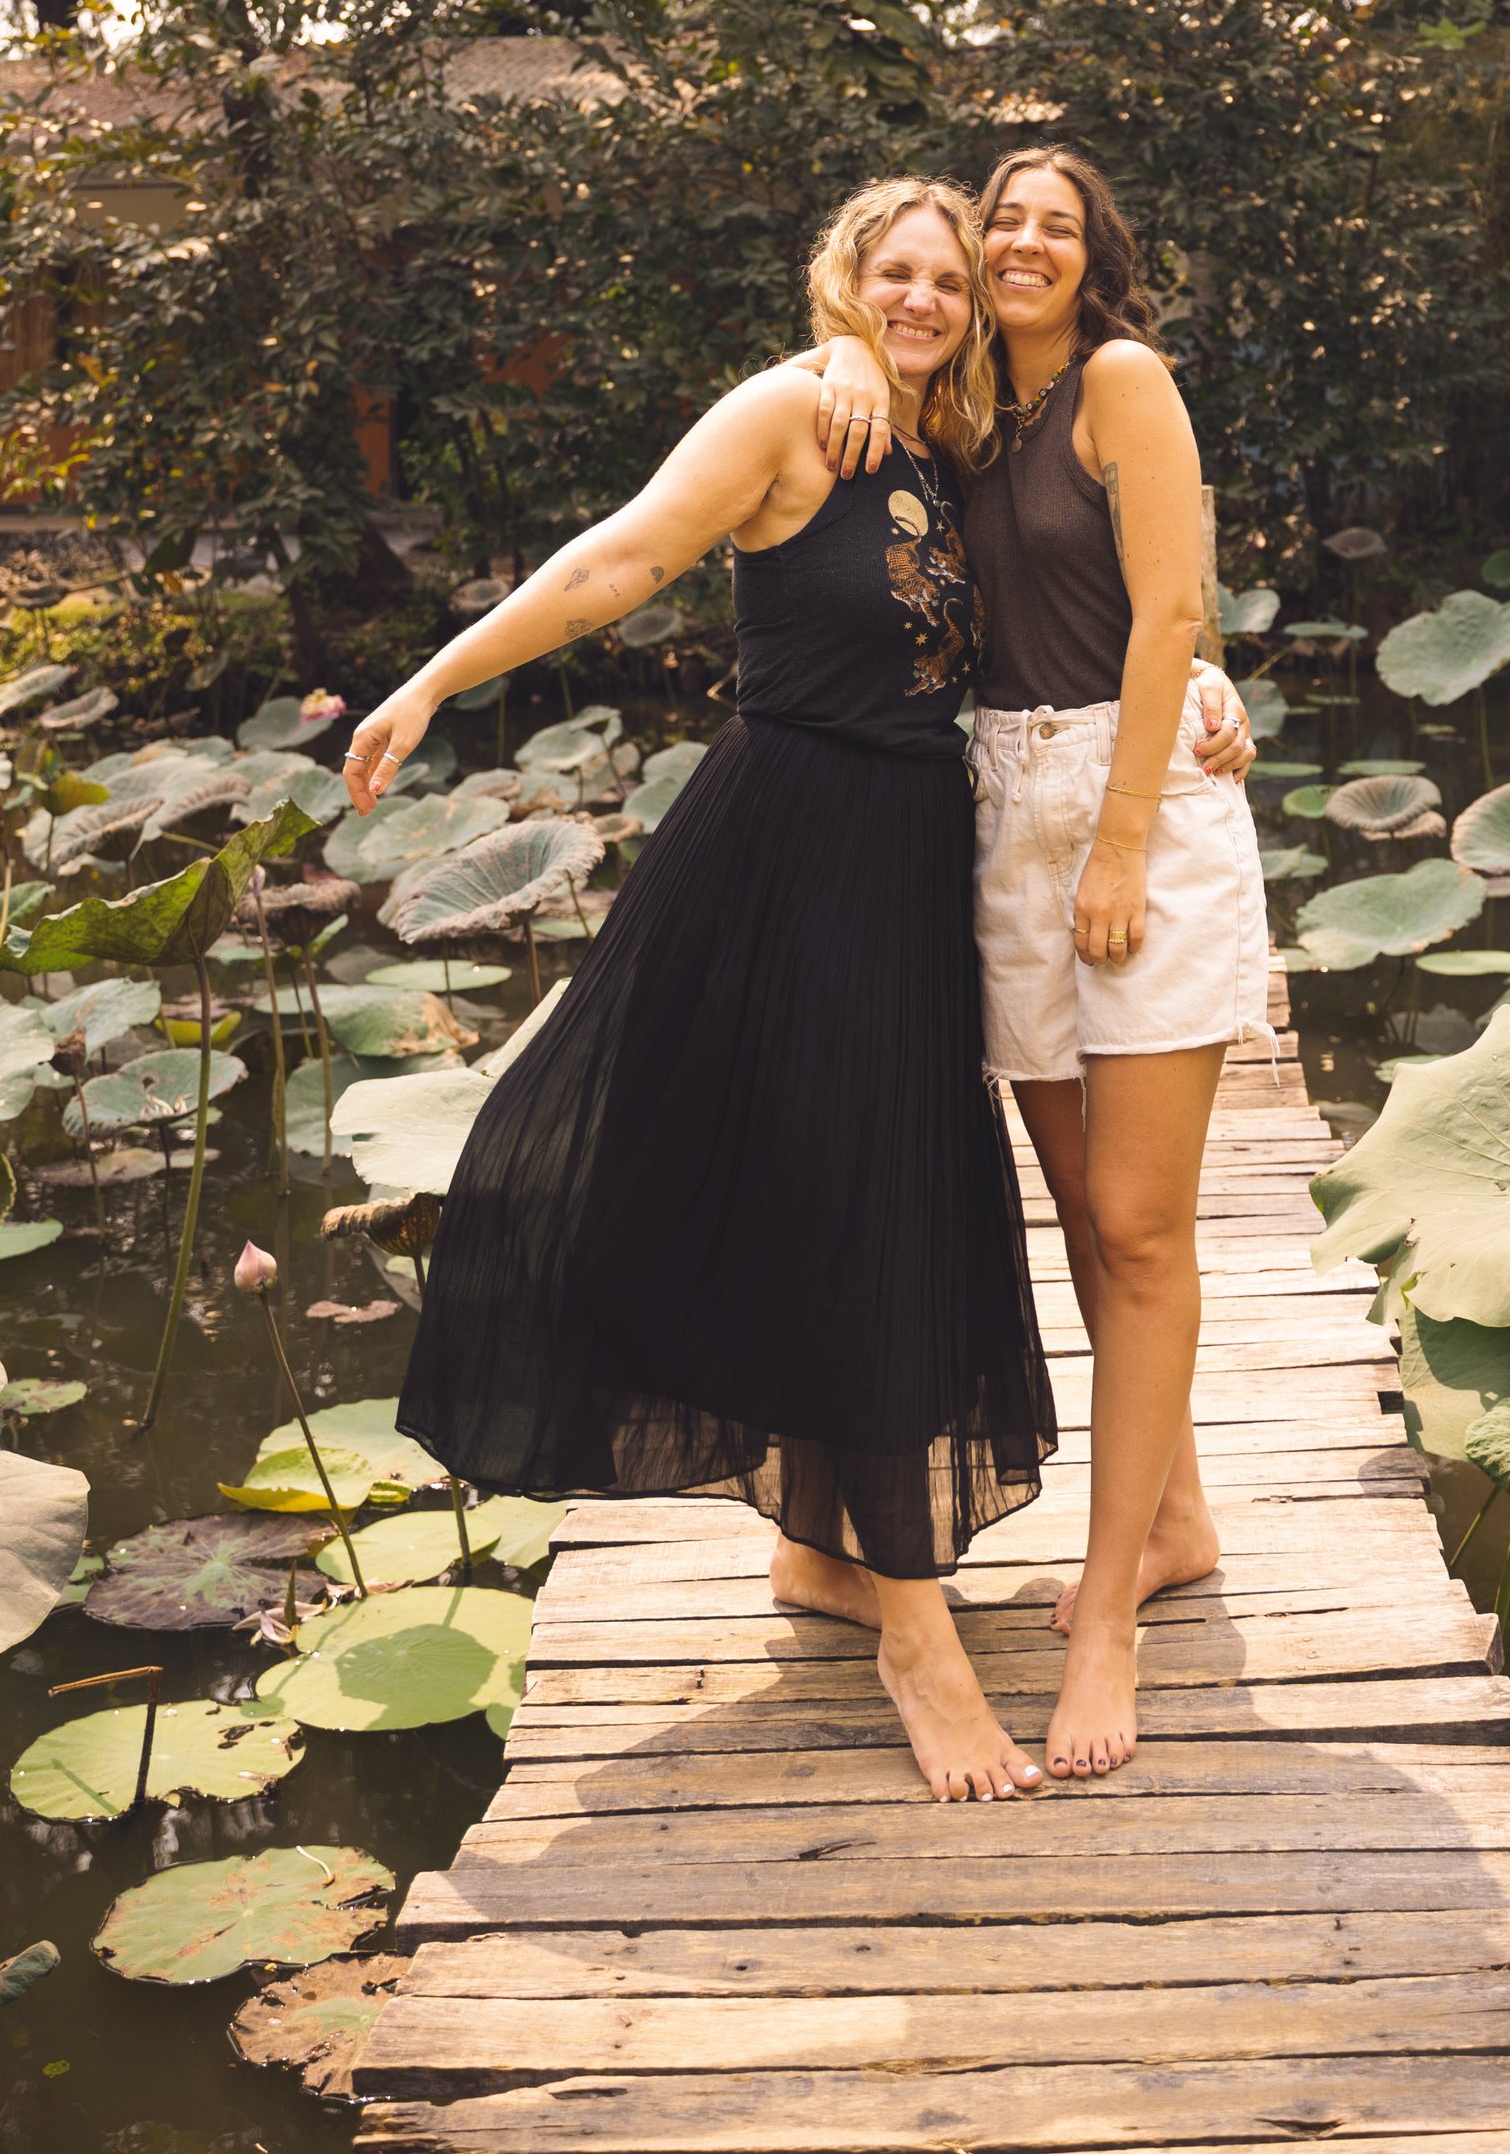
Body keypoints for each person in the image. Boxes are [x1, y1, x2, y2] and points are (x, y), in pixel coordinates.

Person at [341, 178, 1057, 1802]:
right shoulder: (794, 412)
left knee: (858, 1189)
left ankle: (825, 1545)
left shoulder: (945, 439)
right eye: (901, 272)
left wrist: (1202, 686)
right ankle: (918, 1639)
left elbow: (1066, 606)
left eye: (950, 276)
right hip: (791, 846)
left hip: (904, 853)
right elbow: (622, 561)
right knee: (854, 1199)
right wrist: (435, 676)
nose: (933, 294)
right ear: (845, 280)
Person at [803, 147, 1270, 1779]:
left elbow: (1171, 613)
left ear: (1092, 257)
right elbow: (863, 351)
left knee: (1141, 1226)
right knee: (1083, 1211)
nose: (1014, 241)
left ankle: (1109, 1612)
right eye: (1000, 216)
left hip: (1129, 807)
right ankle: (1180, 1514)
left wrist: (1130, 834)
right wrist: (860, 348)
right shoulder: (957, 409)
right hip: (999, 801)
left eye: (1049, 225)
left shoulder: (1122, 384)